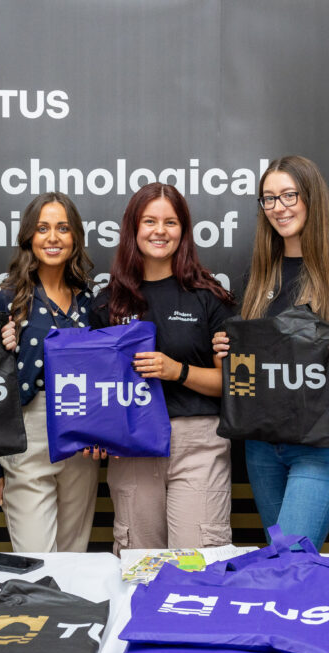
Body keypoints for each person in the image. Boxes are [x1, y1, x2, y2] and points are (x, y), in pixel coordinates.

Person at [213, 155, 329, 549]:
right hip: (261, 439)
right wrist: (227, 350)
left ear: (311, 198)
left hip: (320, 438)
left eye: (289, 195)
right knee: (280, 560)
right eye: (269, 199)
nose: (279, 207)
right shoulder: (259, 276)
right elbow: (250, 362)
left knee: (290, 555)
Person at [89, 182, 235, 554]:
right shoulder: (107, 304)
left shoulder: (209, 297)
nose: (160, 230)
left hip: (197, 444)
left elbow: (230, 384)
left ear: (183, 231)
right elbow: (93, 385)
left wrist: (178, 371)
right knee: (139, 564)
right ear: (133, 229)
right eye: (149, 221)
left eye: (170, 222)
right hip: (133, 446)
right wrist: (96, 432)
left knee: (198, 561)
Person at [0, 192, 100, 552]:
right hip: (26, 432)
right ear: (28, 238)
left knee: (74, 554)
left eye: (63, 228)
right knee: (37, 559)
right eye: (43, 228)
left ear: (75, 237)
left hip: (81, 436)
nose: (53, 238)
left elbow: (101, 376)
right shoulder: (7, 299)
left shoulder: (88, 300)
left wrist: (100, 430)